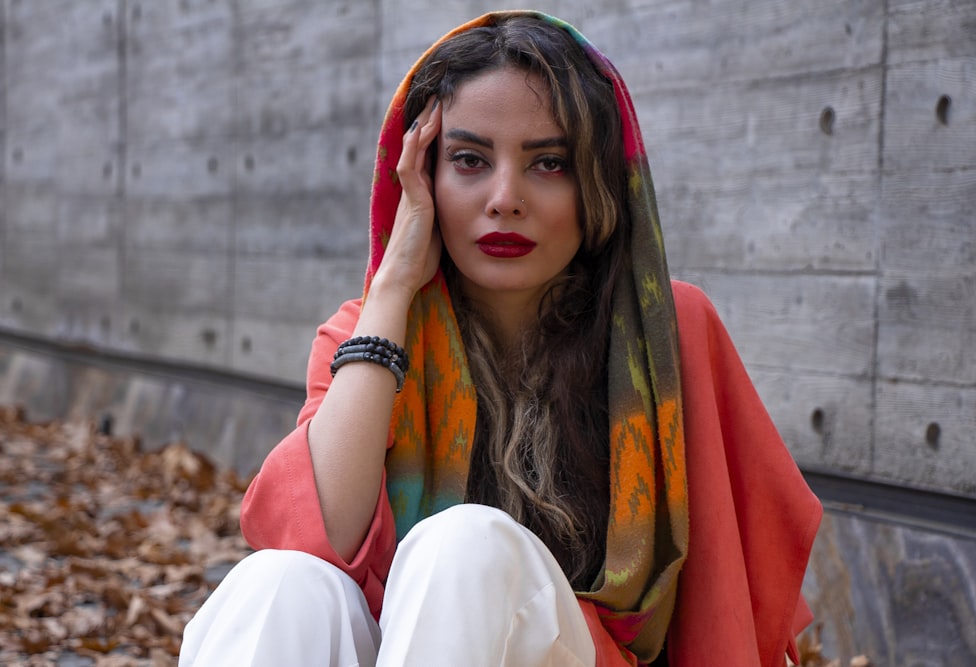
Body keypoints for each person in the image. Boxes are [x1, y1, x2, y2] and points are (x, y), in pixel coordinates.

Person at [179, 10, 822, 667]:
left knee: (463, 546)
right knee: (277, 583)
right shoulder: (368, 331)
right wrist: (395, 284)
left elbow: (726, 591)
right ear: (423, 176)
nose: (505, 197)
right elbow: (313, 539)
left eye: (548, 163)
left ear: (598, 183)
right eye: (469, 160)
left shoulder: (668, 332)